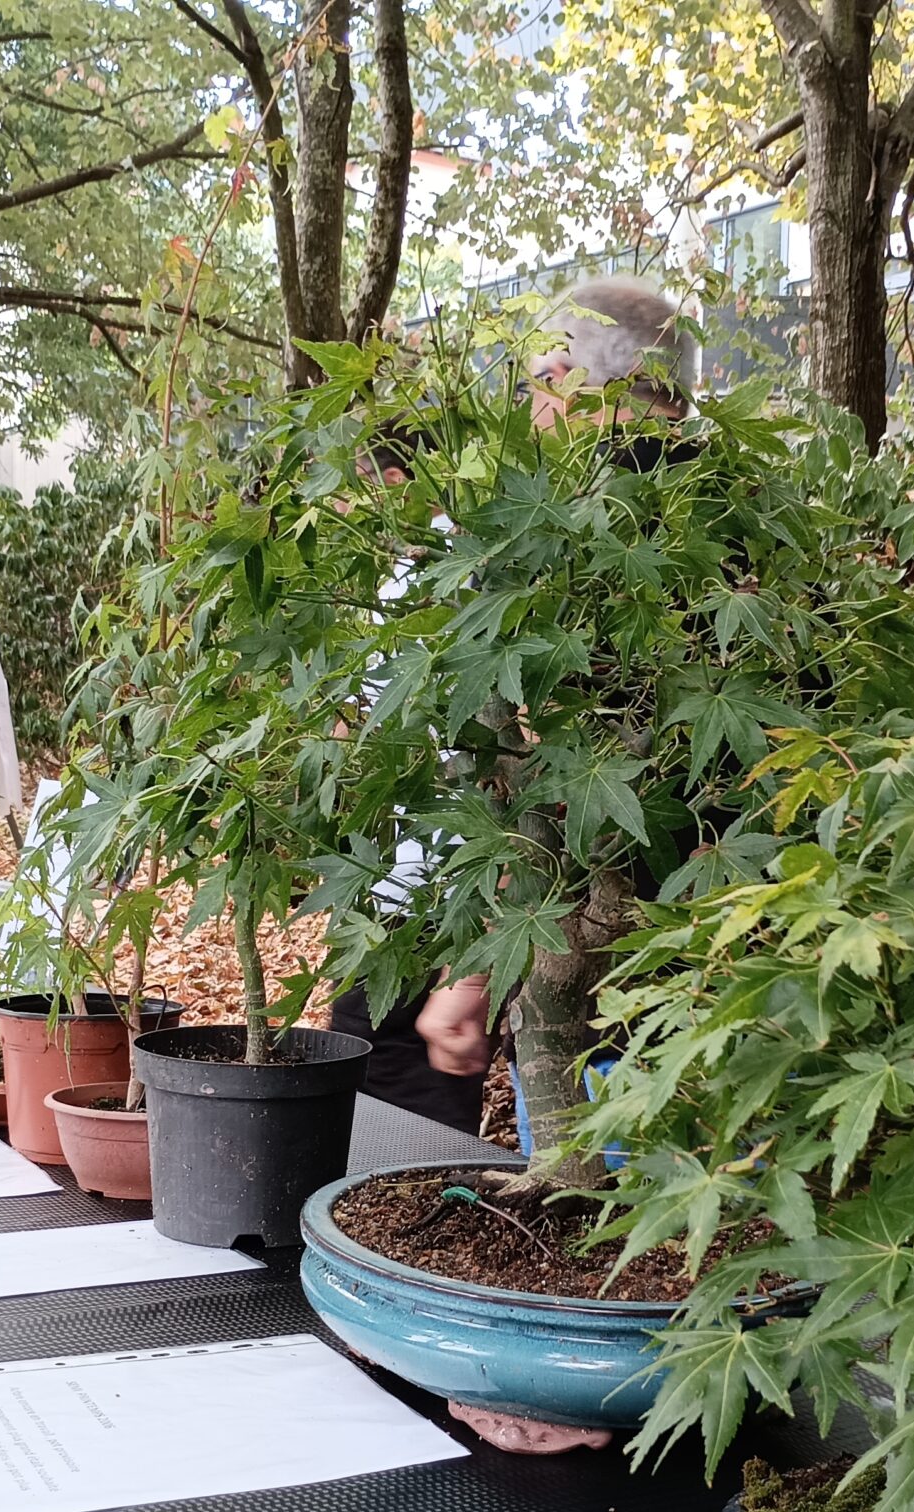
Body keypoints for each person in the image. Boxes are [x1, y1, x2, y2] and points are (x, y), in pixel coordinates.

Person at [331, 277, 692, 1128]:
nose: (528, 407)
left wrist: (474, 966)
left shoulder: (581, 539)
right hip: (596, 943)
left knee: (549, 1183)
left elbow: (569, 767)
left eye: (538, 380)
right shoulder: (701, 514)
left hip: (539, 932)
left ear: (576, 378)